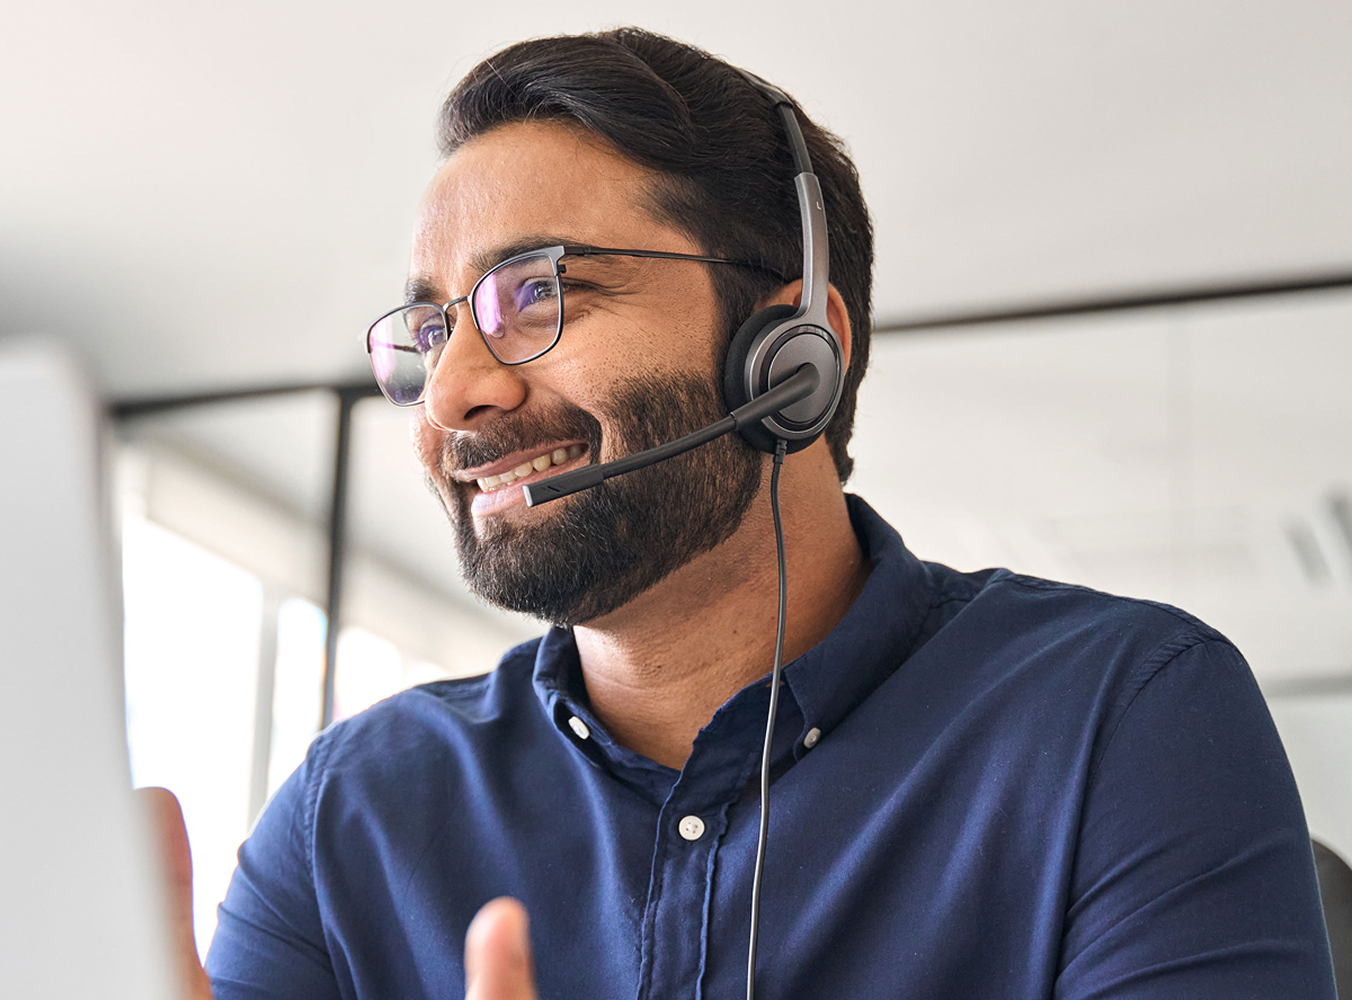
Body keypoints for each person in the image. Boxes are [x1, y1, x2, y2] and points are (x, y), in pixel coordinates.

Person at [158, 28, 1338, 1000]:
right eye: (430, 330)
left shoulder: (1119, 714)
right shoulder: (350, 812)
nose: (453, 390)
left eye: (538, 293)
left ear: (791, 350)